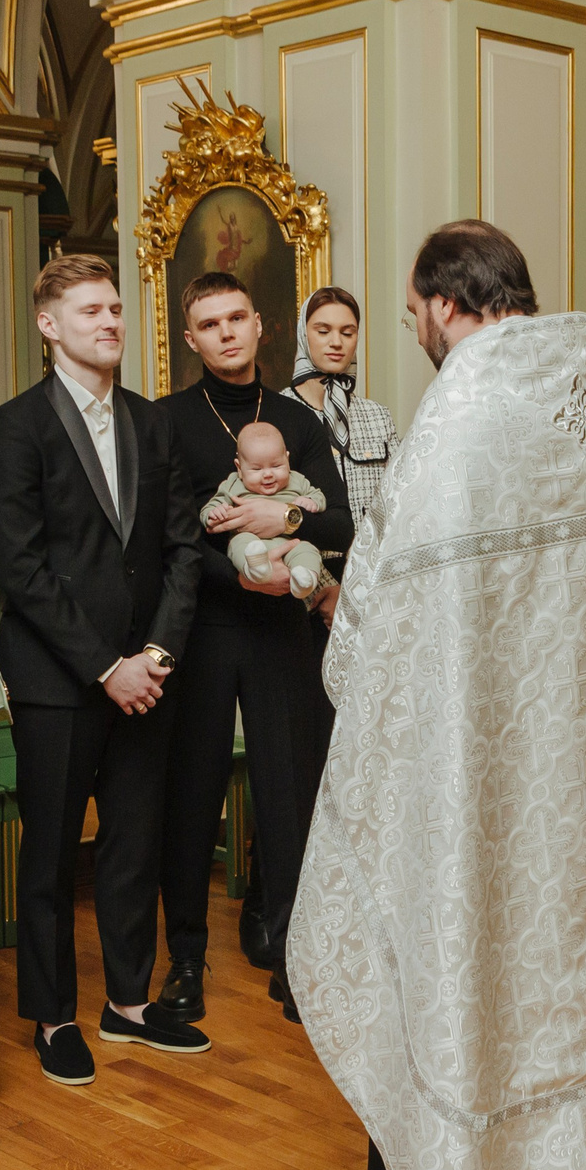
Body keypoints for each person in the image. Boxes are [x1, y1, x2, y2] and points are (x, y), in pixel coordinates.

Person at [286, 219, 586, 1170]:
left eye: (411, 314)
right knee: (582, 936)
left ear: (445, 304)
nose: (413, 332)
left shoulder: (460, 410)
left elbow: (381, 615)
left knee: (471, 940)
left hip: (474, 765)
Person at [0, 253, 207, 1088]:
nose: (111, 322)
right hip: (58, 679)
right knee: (49, 853)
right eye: (90, 311)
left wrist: (156, 655)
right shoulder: (13, 427)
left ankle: (128, 1004)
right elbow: (23, 569)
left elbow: (183, 548)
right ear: (49, 325)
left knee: (133, 844)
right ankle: (52, 1016)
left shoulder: (151, 422)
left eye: (115, 309)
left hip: (147, 677)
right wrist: (105, 665)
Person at [155, 271, 352, 1026]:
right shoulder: (169, 421)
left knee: (290, 796)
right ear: (191, 338)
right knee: (192, 796)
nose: (227, 333)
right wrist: (240, 575)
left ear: (261, 324)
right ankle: (186, 962)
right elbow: (173, 538)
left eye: (237, 317)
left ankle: (297, 960)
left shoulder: (298, 420)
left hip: (282, 635)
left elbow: (341, 523)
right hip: (205, 631)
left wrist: (283, 521)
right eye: (210, 324)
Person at [285, 286, 393, 530]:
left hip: (372, 551)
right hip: (307, 552)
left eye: (347, 333)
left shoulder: (378, 416)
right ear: (303, 334)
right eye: (323, 331)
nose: (336, 342)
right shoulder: (279, 413)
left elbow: (398, 498)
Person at [201, 421, 330, 606]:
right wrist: (215, 512)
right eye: (256, 469)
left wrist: (310, 502)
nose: (268, 474)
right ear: (239, 468)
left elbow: (319, 496)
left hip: (290, 542)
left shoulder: (297, 481)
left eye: (276, 466)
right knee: (238, 543)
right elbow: (208, 509)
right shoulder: (233, 484)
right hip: (251, 540)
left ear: (287, 460)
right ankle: (255, 569)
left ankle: (304, 579)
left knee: (307, 549)